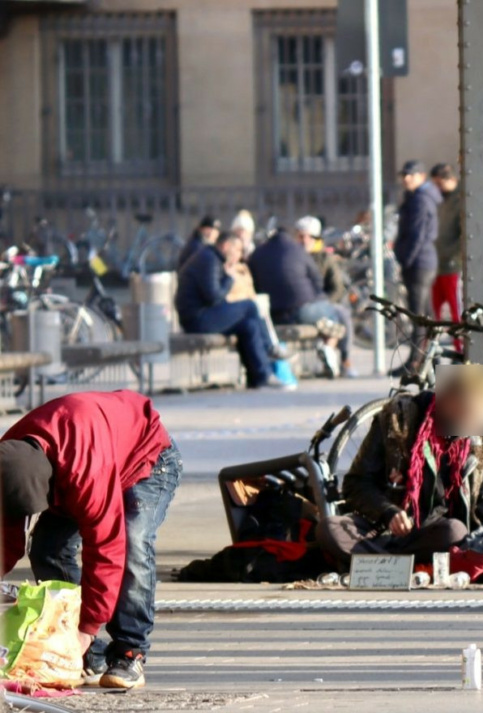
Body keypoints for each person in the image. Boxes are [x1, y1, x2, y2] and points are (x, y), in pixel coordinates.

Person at [1, 391, 182, 689]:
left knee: (132, 544)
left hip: (146, 458)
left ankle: (129, 652)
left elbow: (107, 548)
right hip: (79, 461)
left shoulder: (85, 470)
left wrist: (86, 627)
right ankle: (89, 656)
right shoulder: (10, 456)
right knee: (48, 550)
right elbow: (5, 534)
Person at [316, 373, 483, 566]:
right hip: (381, 531)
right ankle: (394, 565)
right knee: (329, 529)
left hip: (431, 535)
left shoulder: (474, 441)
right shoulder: (395, 421)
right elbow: (355, 484)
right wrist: (388, 511)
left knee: (455, 532)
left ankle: (378, 564)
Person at [175, 231, 286, 389]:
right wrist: (229, 277)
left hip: (202, 315)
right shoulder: (209, 259)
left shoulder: (210, 258)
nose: (239, 255)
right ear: (226, 246)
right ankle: (269, 348)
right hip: (197, 319)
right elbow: (213, 297)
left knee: (249, 326)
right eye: (238, 250)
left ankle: (261, 377)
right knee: (250, 305)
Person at [249, 220, 356, 379]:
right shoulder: (298, 252)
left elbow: (336, 287)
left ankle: (336, 356)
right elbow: (318, 283)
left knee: (333, 314)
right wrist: (319, 300)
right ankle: (331, 351)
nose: (304, 240)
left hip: (274, 312)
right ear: (292, 237)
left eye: (308, 237)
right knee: (337, 315)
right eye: (301, 236)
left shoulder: (259, 253)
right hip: (305, 307)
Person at [394, 160, 442, 371]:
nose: (406, 179)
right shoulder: (417, 197)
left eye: (410, 175)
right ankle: (432, 357)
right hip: (422, 260)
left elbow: (417, 234)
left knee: (418, 315)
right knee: (426, 315)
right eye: (404, 175)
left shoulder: (420, 200)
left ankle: (416, 360)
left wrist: (406, 258)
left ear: (421, 177)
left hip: (419, 262)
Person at [430, 163, 463, 349]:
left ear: (451, 179)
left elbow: (463, 234)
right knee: (433, 315)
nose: (437, 188)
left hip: (453, 265)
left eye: (439, 184)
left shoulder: (461, 199)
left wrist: (455, 257)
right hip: (438, 264)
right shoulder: (441, 200)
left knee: (457, 313)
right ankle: (430, 356)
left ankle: (462, 351)